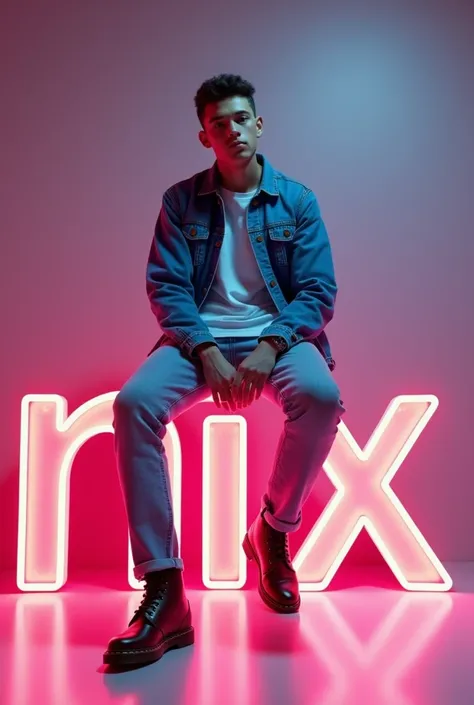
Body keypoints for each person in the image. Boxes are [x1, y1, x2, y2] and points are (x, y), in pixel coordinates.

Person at [103, 73, 345, 668]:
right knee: (134, 405)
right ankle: (164, 589)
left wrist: (270, 344)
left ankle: (271, 531)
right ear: (204, 136)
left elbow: (317, 290)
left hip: (277, 337)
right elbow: (166, 285)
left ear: (258, 124)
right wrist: (206, 350)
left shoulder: (297, 200)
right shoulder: (180, 201)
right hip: (198, 342)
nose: (232, 129)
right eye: (219, 123)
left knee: (321, 396)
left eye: (242, 118)